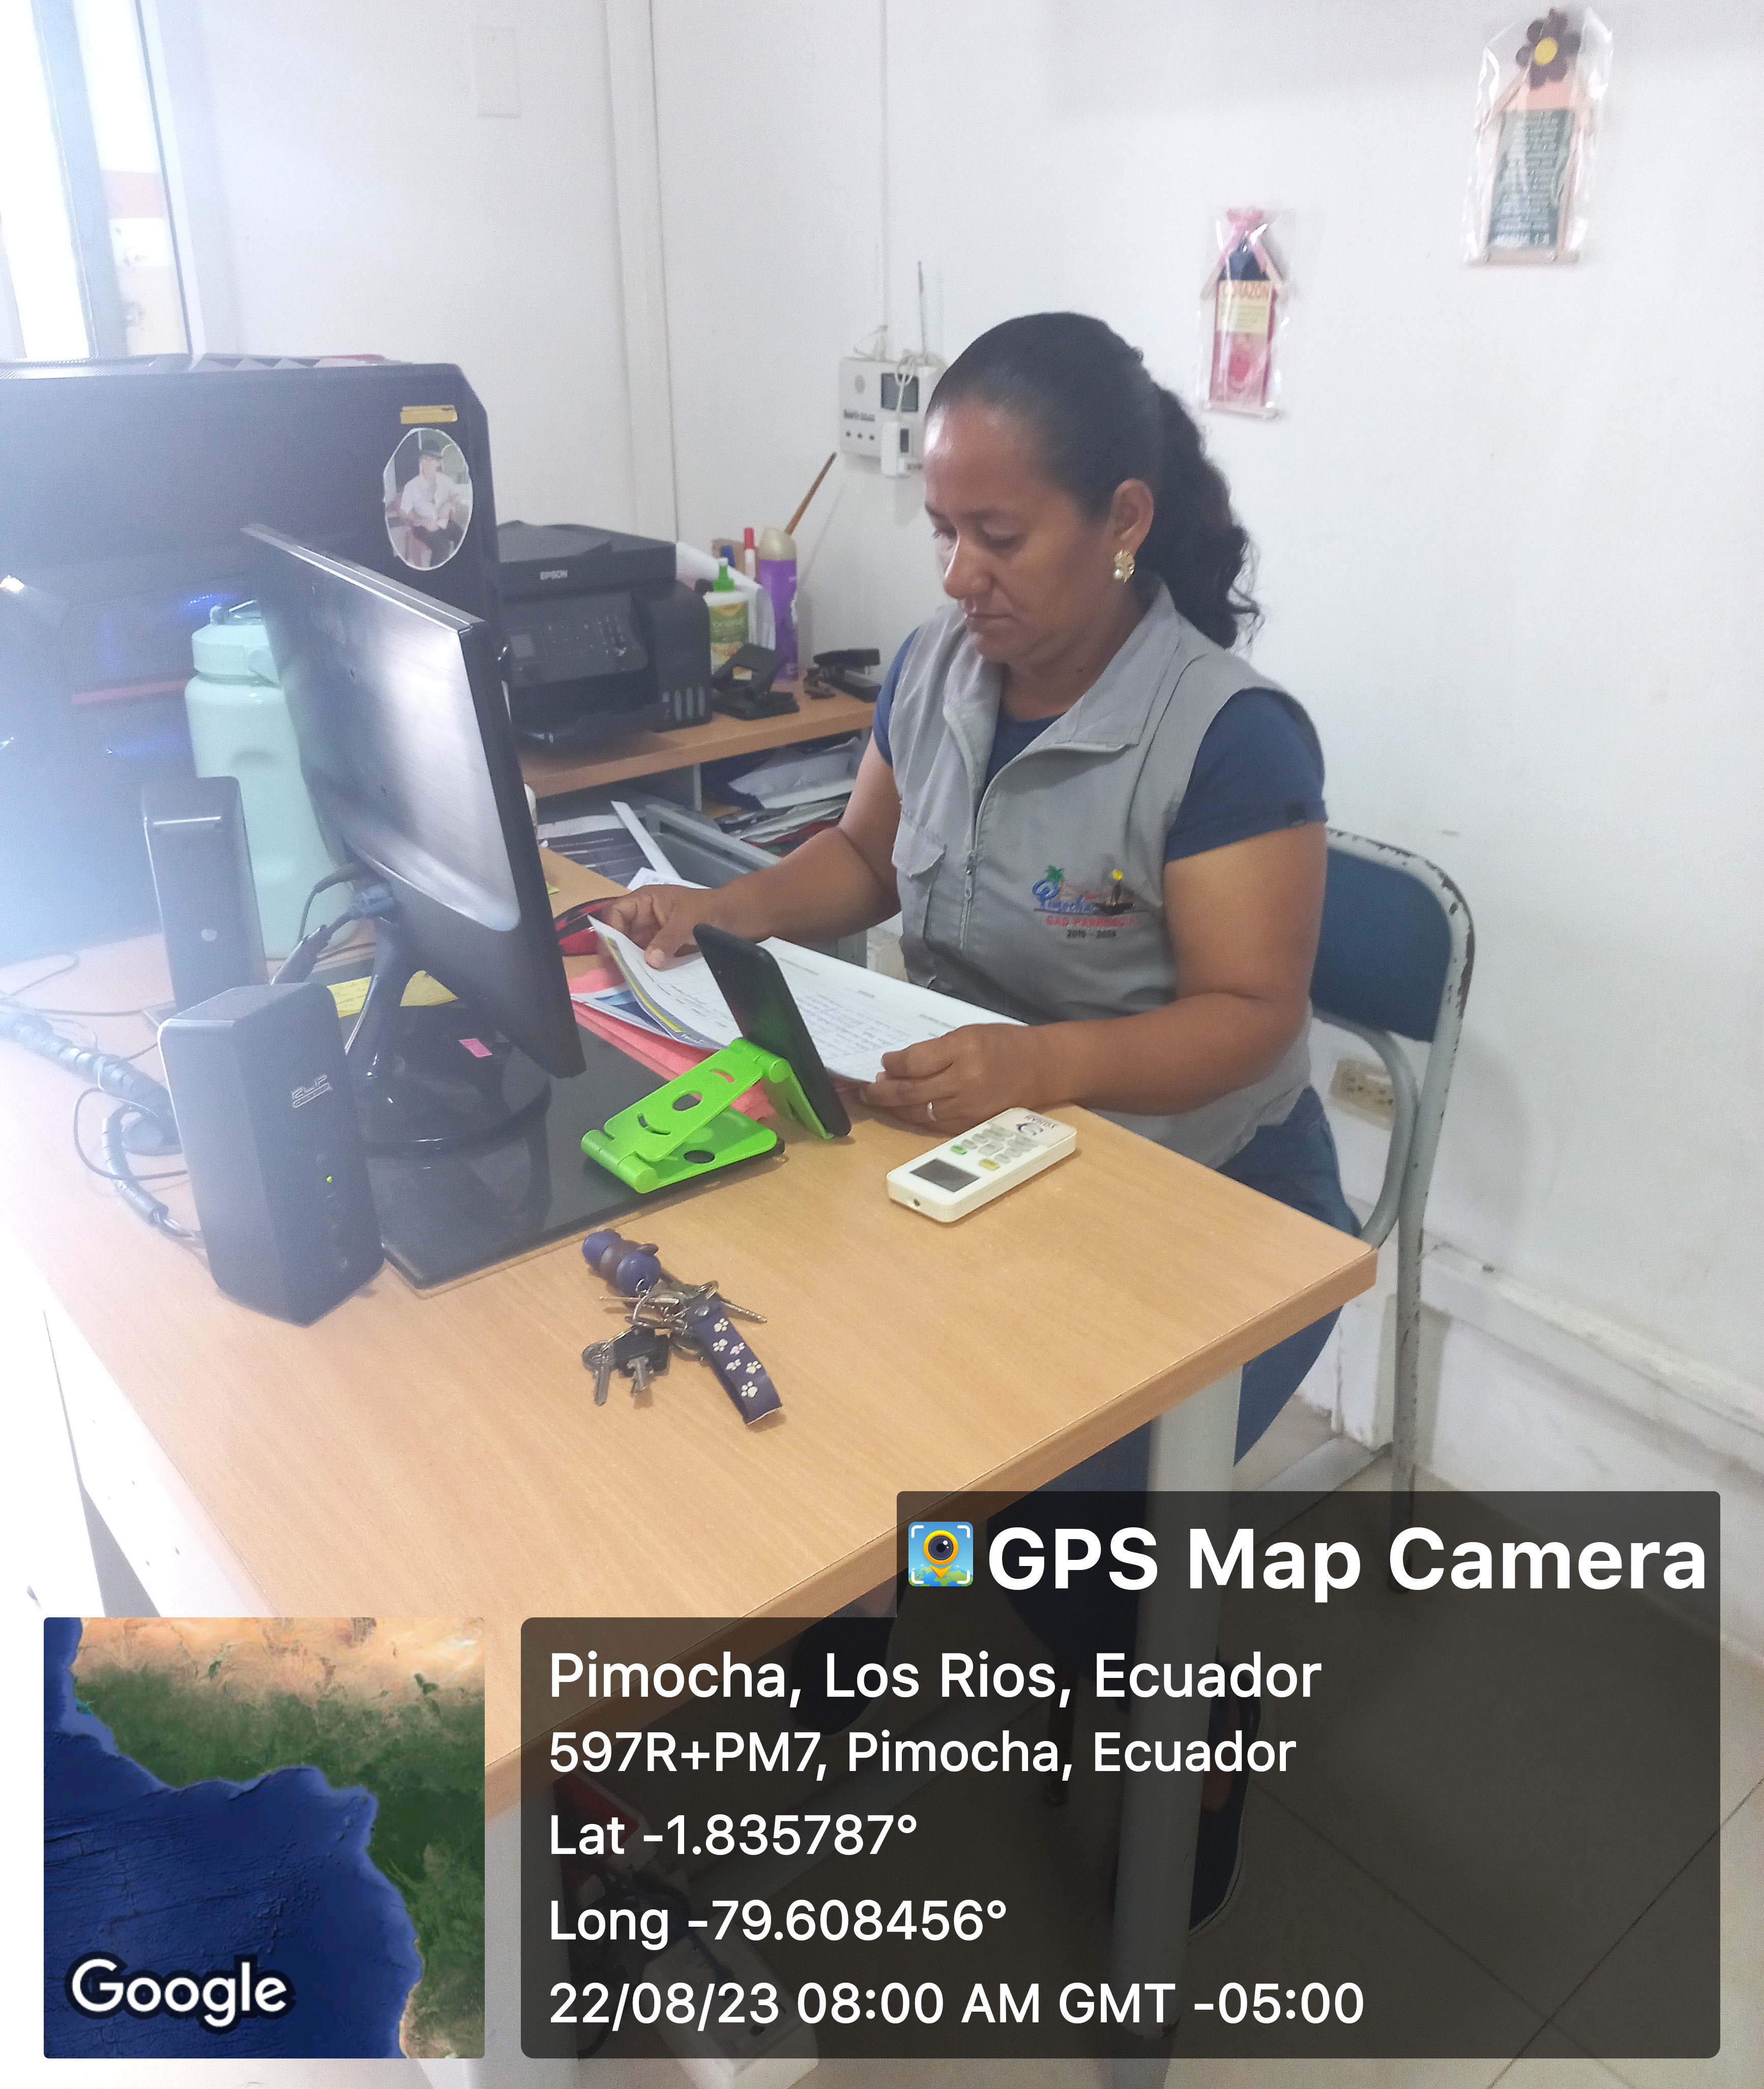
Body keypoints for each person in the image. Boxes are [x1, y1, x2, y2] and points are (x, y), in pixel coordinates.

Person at [602, 311, 1358, 1925]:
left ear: (1122, 519)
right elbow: (863, 861)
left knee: (1061, 1524)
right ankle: (847, 1624)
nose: (957, 576)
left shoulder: (1228, 736)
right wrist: (717, 911)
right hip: (977, 1150)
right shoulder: (940, 668)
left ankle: (1192, 1740)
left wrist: (1041, 1065)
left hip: (1211, 1199)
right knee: (797, 1350)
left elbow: (1249, 1014)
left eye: (997, 536)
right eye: (942, 530)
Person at [390, 446, 467, 569]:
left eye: (431, 460)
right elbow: (404, 511)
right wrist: (423, 521)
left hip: (442, 522)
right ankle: (437, 576)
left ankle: (462, 568)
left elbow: (460, 495)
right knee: (443, 546)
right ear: (420, 461)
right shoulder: (412, 486)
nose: (427, 463)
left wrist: (449, 504)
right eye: (424, 459)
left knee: (461, 536)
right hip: (422, 527)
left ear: (438, 463)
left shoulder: (445, 480)